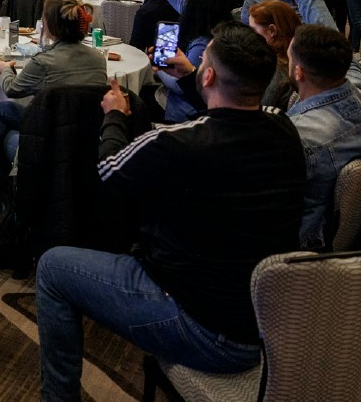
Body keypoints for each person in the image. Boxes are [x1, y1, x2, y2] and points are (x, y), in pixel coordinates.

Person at [35, 21, 306, 399]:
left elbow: (110, 170)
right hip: (270, 321)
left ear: (209, 74)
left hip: (203, 328)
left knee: (52, 268)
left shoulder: (177, 144)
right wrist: (195, 77)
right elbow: (233, 111)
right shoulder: (284, 128)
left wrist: (113, 115)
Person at [275, 0, 361, 247]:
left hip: (300, 240)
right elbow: (326, 26)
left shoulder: (298, 139)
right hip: (341, 221)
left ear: (298, 73)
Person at [0, 0, 107, 191]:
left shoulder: (43, 62)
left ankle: (11, 193)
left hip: (51, 141)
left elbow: (11, 89)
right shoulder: (98, 59)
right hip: (87, 142)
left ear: (49, 25)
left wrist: (5, 68)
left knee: (1, 127)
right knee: (4, 110)